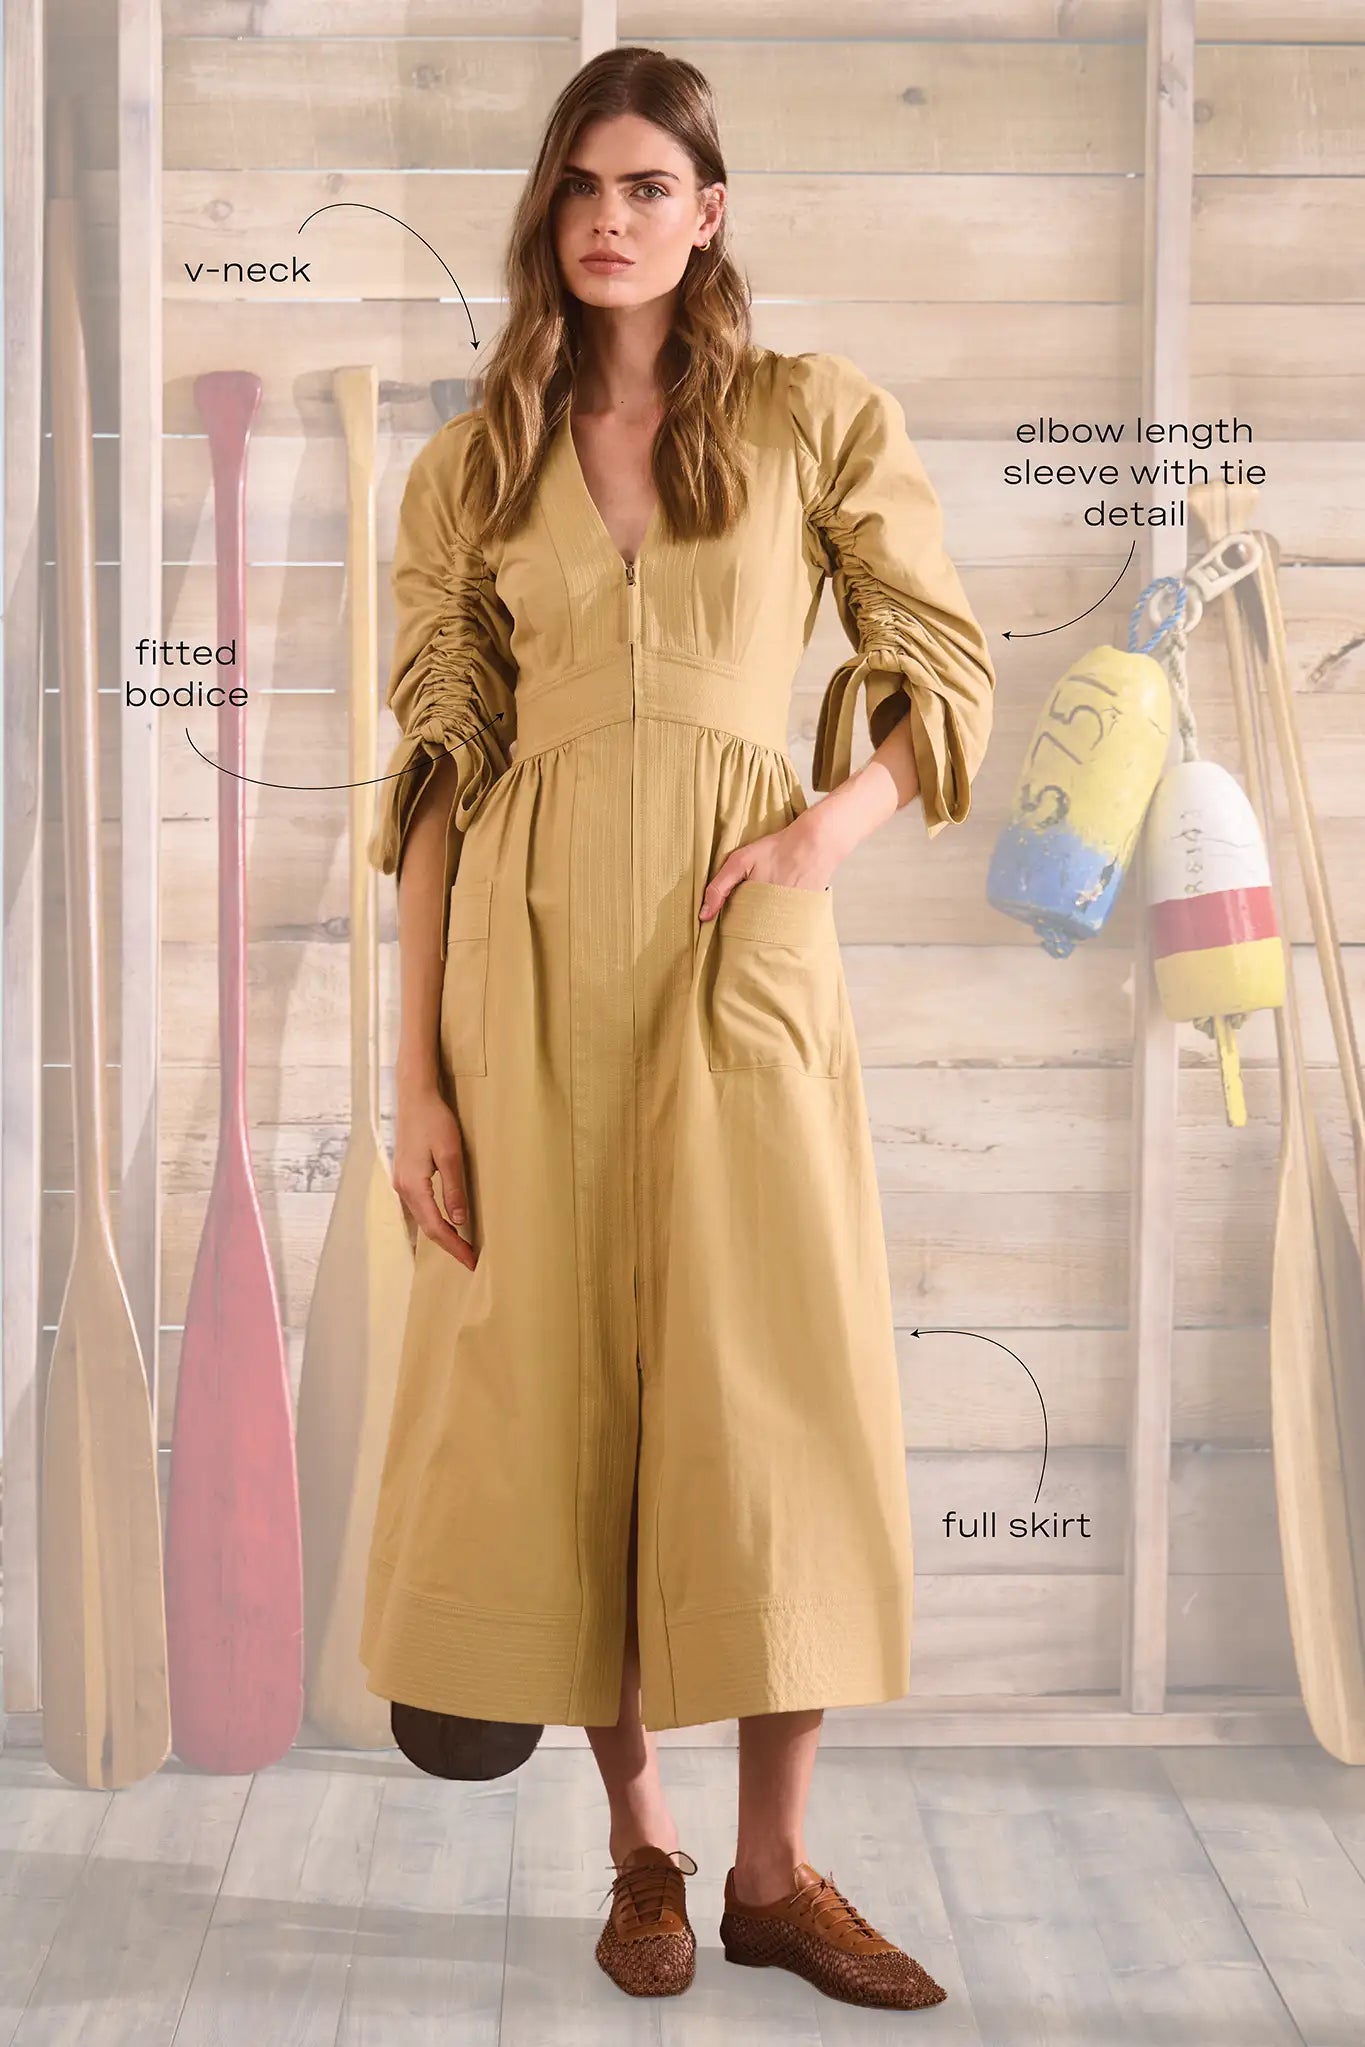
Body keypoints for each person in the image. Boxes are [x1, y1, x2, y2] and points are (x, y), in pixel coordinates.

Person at [359, 45, 994, 2012]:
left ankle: (776, 1874)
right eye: (580, 185)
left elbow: (937, 664)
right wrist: (414, 1079)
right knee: (566, 1402)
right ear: (547, 212)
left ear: (708, 213)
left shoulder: (811, 416)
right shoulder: (470, 467)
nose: (610, 217)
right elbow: (436, 782)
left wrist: (824, 833)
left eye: (647, 185)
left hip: (740, 960)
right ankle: (641, 1850)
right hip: (524, 969)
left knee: (772, 1392)